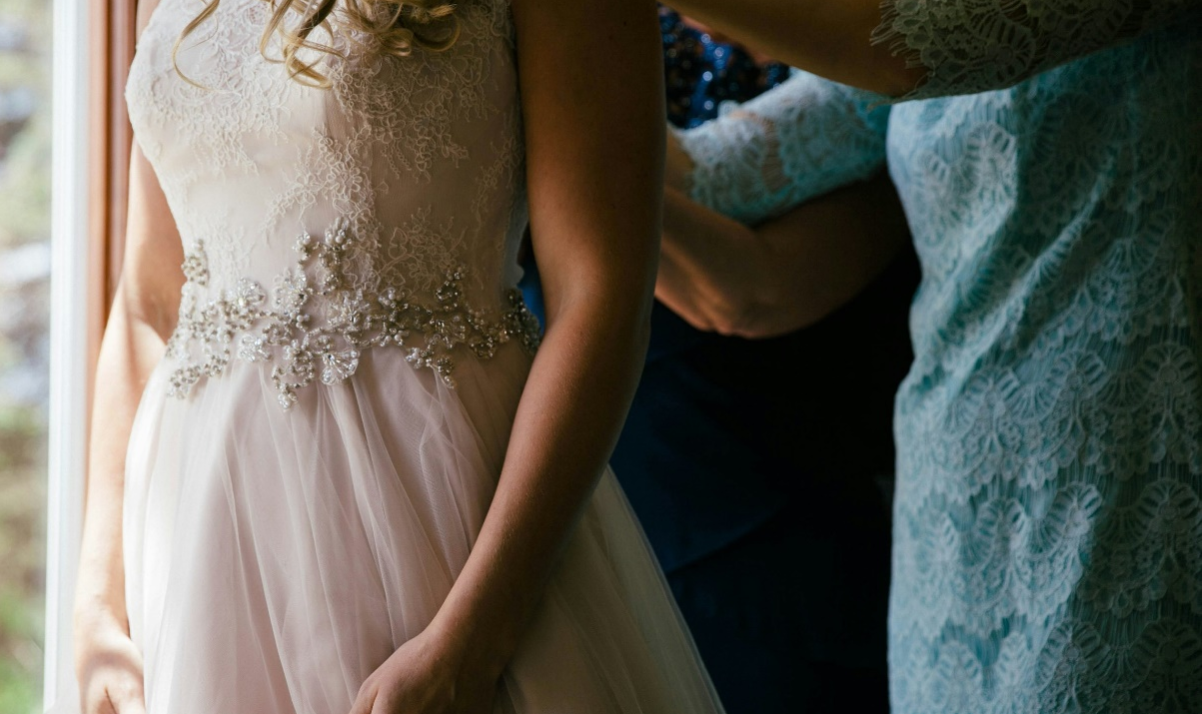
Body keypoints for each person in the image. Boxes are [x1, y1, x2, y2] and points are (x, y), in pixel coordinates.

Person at [71, 0, 730, 712]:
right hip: (207, 539)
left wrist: (480, 628)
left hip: (434, 517)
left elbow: (600, 297)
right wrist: (100, 604)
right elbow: (150, 301)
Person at [660, 0, 1202, 711]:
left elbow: (899, 44)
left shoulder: (905, 33)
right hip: (951, 524)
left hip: (1124, 483)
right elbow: (711, 180)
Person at [522, 12, 918, 713]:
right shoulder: (593, 31)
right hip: (574, 492)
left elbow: (752, 291)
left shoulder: (877, 49)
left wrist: (565, 150)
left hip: (767, 518)